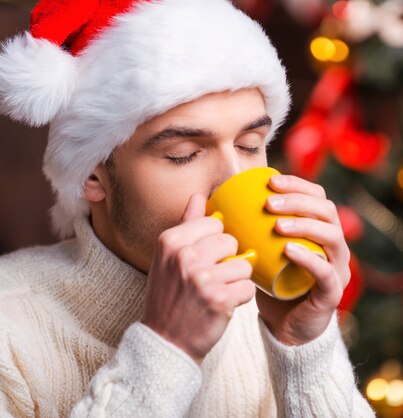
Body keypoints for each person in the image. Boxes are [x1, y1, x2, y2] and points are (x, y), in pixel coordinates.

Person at [0, 0, 376, 416]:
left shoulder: (265, 309)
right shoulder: (11, 331)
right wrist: (166, 348)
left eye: (251, 146)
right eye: (183, 154)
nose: (234, 180)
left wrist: (303, 347)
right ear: (92, 173)